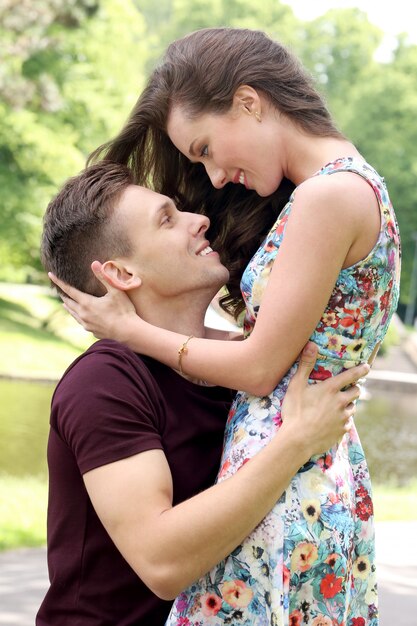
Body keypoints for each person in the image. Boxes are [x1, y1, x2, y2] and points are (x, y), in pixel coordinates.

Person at [51, 28, 401, 626]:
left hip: (293, 475)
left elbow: (263, 367)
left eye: (206, 148)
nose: (210, 184)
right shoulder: (104, 385)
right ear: (119, 271)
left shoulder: (328, 196)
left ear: (248, 101)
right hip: (298, 462)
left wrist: (128, 328)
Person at [37, 161, 365, 626]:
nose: (200, 219)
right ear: (121, 273)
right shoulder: (104, 383)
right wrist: (296, 442)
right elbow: (161, 562)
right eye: (167, 219)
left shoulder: (249, 364)